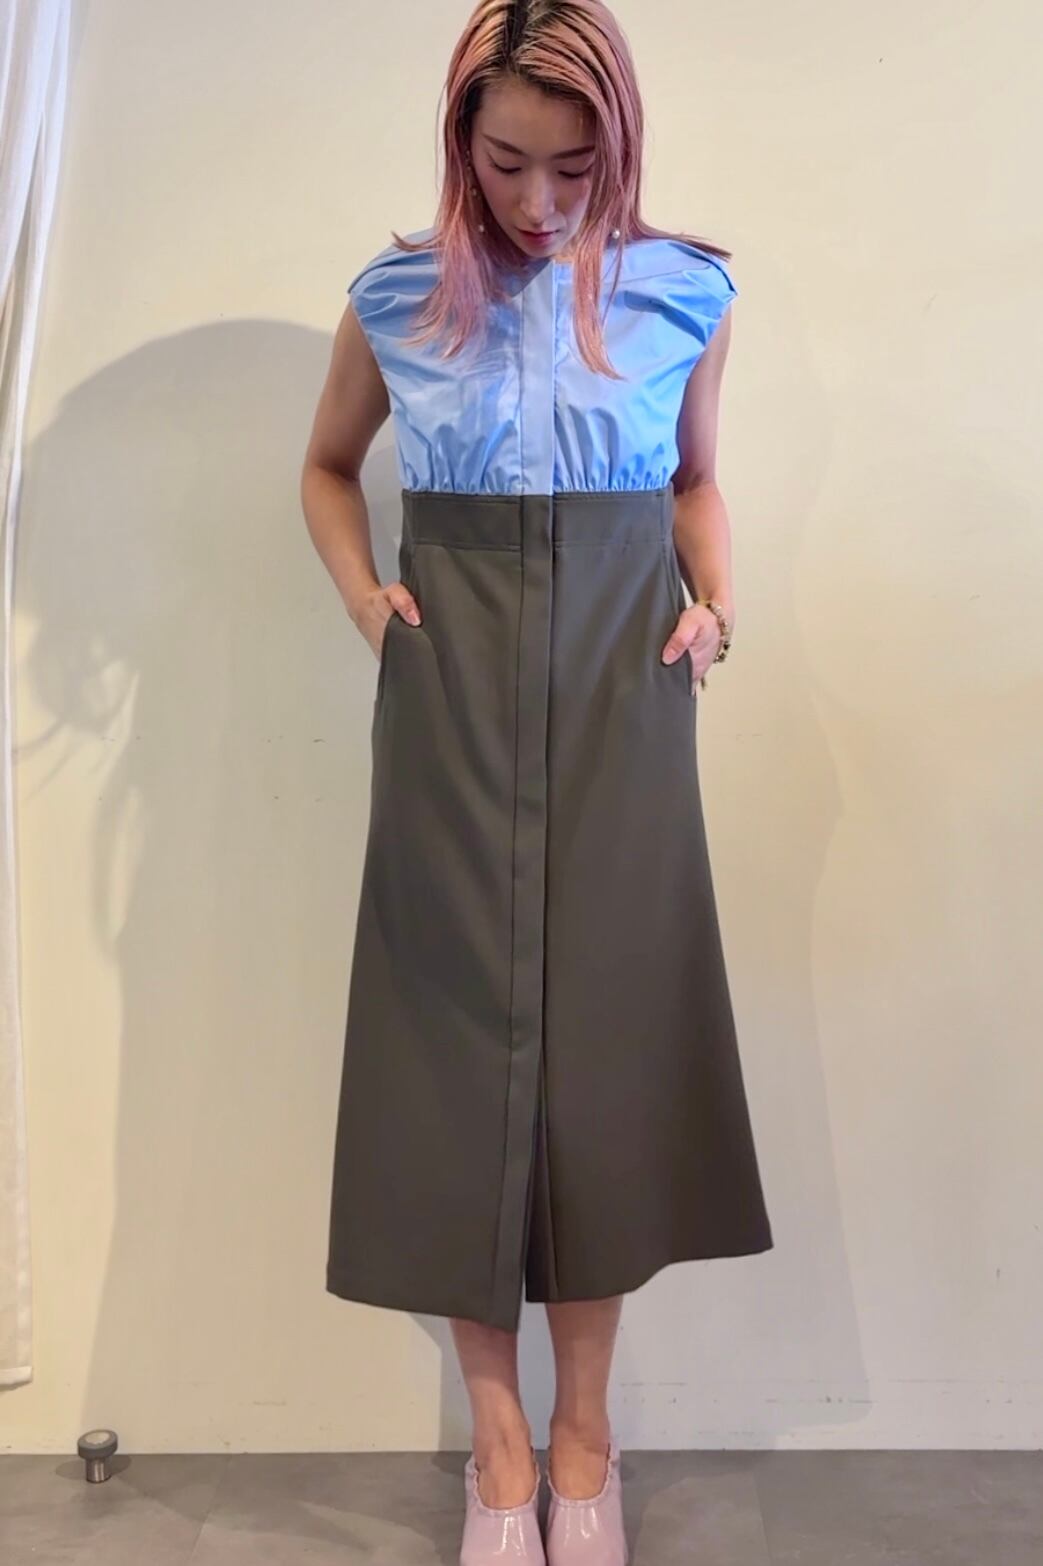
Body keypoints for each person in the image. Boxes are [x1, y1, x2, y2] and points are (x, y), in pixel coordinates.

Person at [300, 3, 773, 1562]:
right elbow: (326, 466)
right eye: (508, 162)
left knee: (603, 1059)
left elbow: (694, 479)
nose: (541, 200)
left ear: (619, 146)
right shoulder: (394, 296)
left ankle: (588, 1434)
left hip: (625, 692)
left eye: (576, 167)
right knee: (451, 1052)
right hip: (451, 694)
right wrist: (370, 604)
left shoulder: (684, 290)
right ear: (463, 141)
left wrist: (717, 606)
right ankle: (498, 1448)